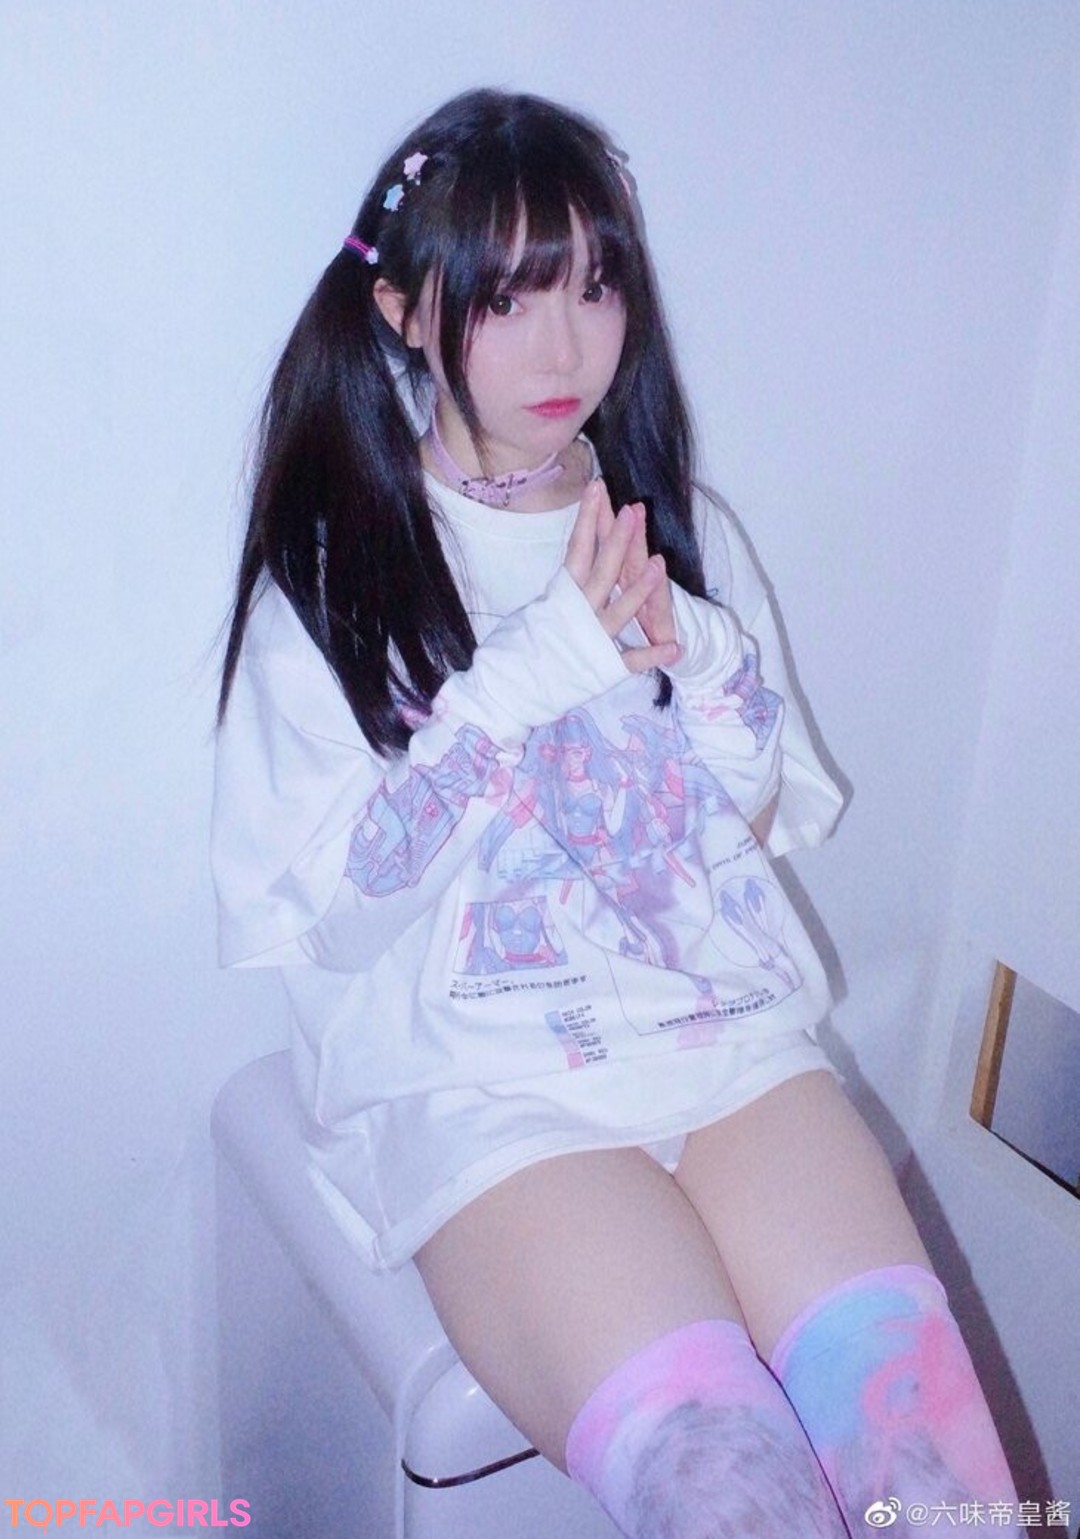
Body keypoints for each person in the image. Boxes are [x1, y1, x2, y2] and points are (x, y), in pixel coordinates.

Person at [212, 88, 1019, 1538]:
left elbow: (744, 826)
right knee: (736, 1498)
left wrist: (701, 663)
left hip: (724, 1043)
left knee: (943, 1486)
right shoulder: (340, 573)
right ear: (403, 308)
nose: (565, 347)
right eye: (509, 298)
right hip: (487, 1094)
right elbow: (333, 919)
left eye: (595, 287)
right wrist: (524, 681)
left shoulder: (667, 523)